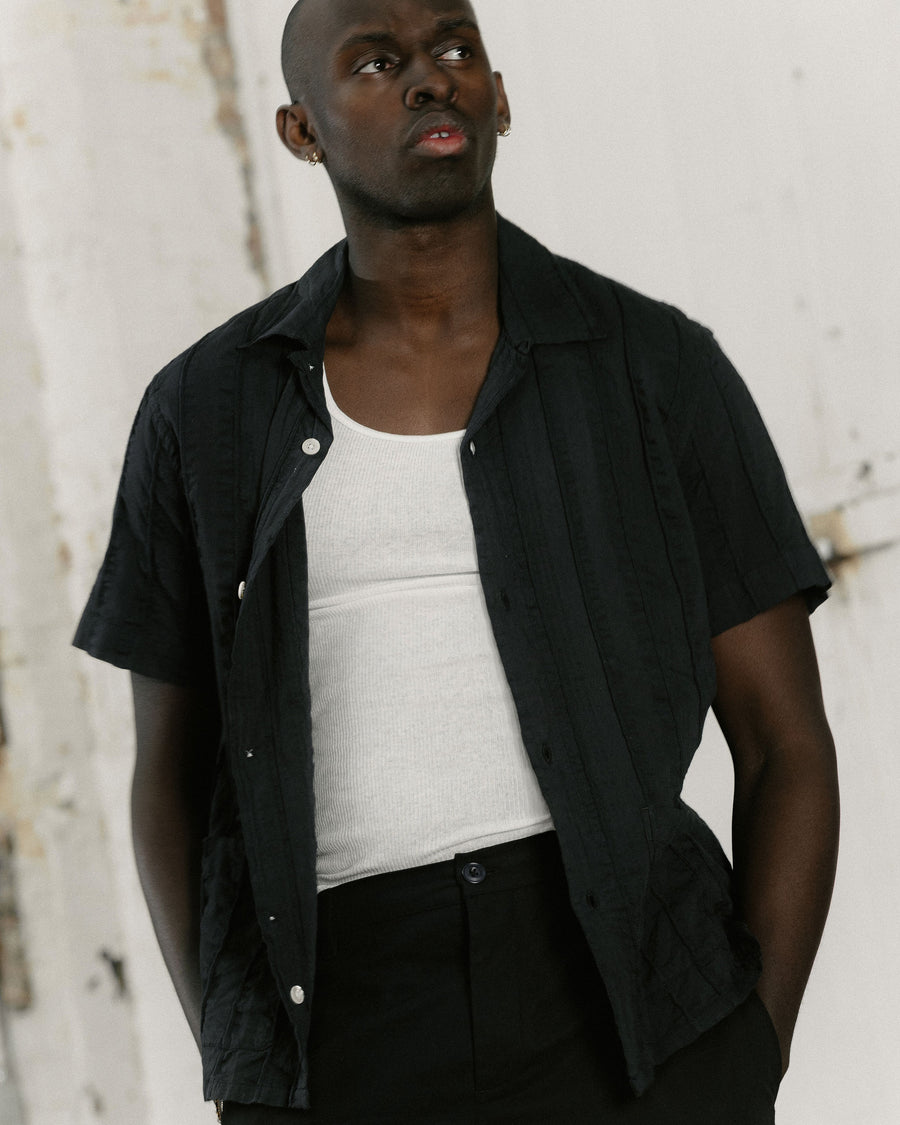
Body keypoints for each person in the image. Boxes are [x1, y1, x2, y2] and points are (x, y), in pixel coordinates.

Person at [74, 1, 840, 1121]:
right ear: (301, 130)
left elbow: (784, 742)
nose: (430, 78)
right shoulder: (205, 411)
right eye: (377, 63)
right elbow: (170, 781)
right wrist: (244, 1066)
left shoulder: (655, 369)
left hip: (633, 1003)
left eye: (454, 49)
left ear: (500, 97)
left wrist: (749, 1056)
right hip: (347, 1019)